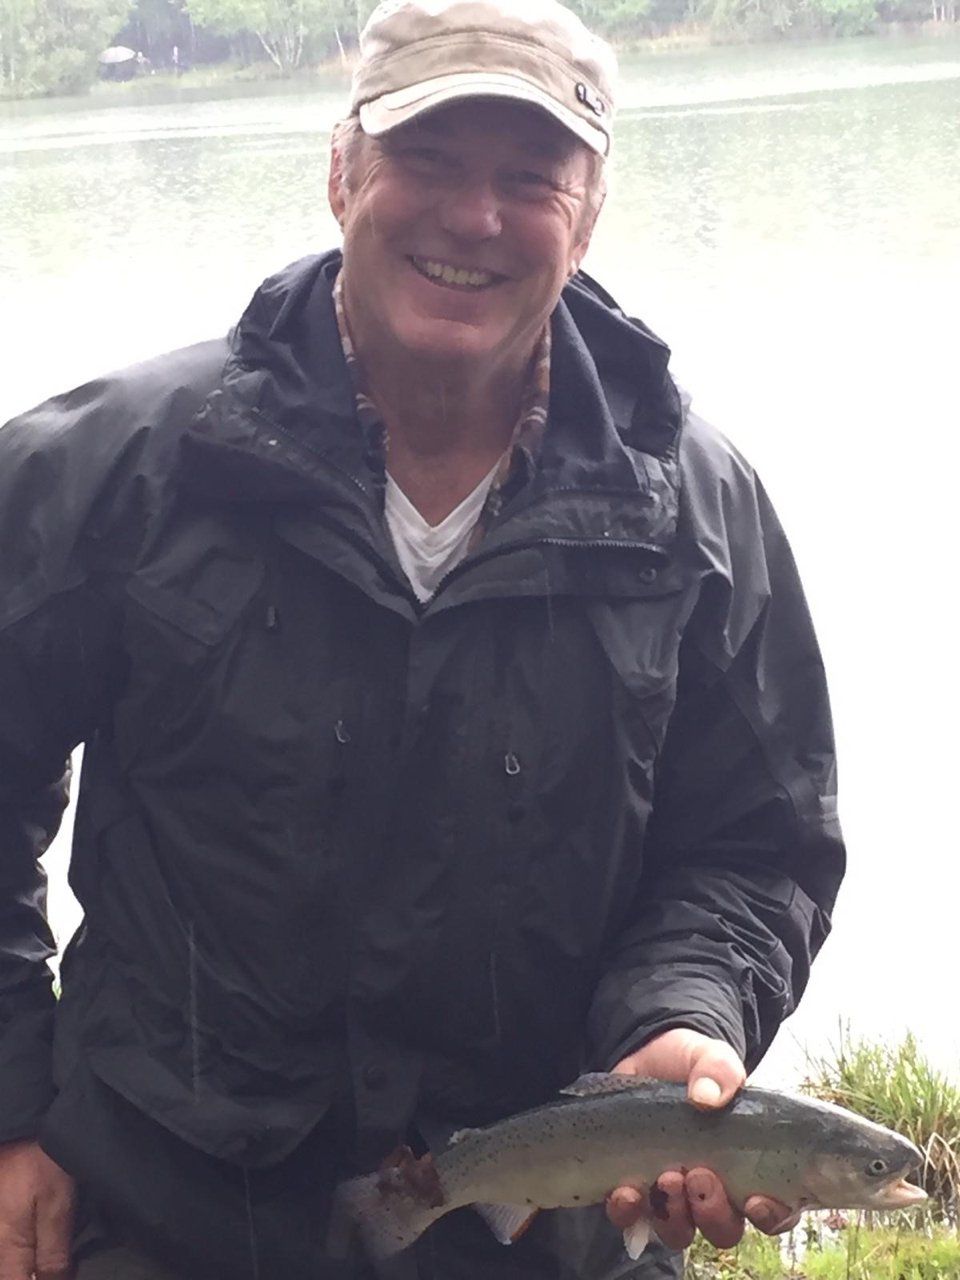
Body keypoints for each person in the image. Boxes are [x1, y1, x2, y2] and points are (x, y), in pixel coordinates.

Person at [0, 1, 845, 1277]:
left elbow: (752, 847)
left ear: (589, 215)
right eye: (429, 159)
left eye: (531, 177)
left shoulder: (699, 515)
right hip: (166, 1214)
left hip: (550, 1236)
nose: (475, 216)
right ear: (342, 172)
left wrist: (686, 1013)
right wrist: (14, 1101)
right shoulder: (116, 466)